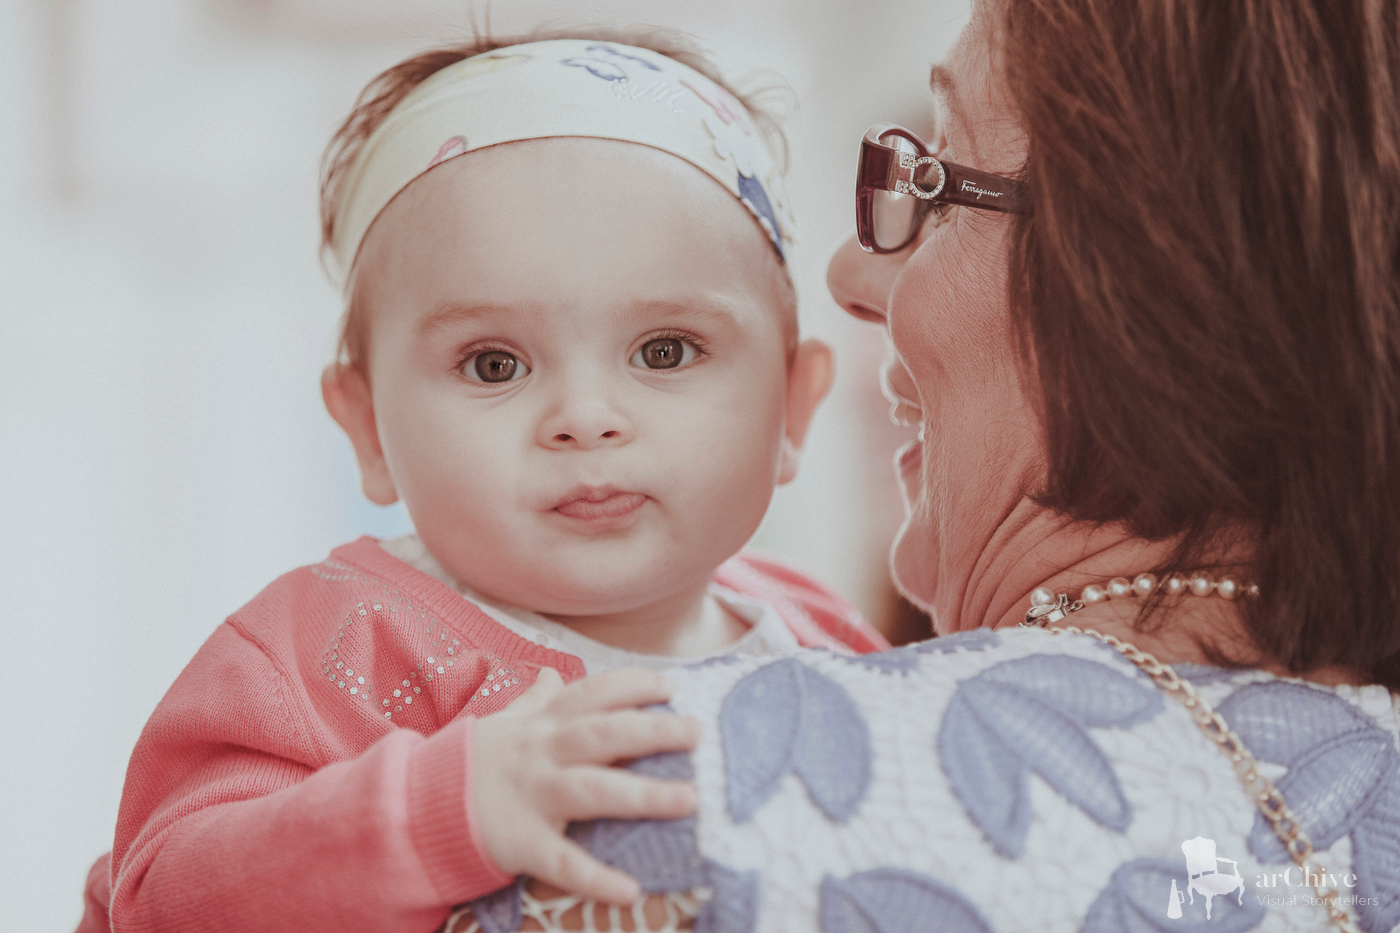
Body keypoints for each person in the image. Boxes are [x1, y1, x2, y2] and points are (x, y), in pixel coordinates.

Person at [449, 1, 1400, 931]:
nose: (848, 275)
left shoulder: (659, 798)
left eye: (936, 186)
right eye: (493, 364)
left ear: (1152, 271)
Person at [75, 27, 890, 933]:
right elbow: (163, 898)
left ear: (792, 408)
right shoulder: (332, 647)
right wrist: (439, 812)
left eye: (666, 350)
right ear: (368, 428)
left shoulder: (833, 645)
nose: (584, 415)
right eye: (494, 364)